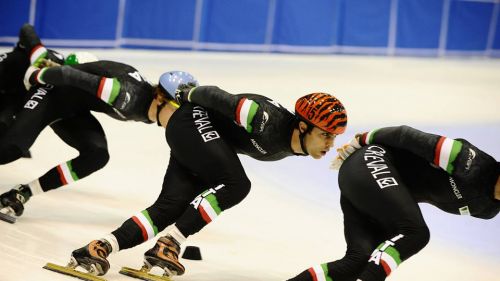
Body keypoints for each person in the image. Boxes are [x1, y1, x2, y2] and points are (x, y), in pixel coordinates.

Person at [62, 88, 348, 277]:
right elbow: (213, 94)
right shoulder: (262, 117)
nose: (330, 144)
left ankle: (100, 247)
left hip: (203, 139)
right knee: (237, 184)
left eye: (334, 137)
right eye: (325, 135)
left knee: (169, 207)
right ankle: (170, 243)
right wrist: (188, 93)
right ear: (302, 126)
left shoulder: (298, 142)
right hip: (192, 121)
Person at [0, 28, 197, 218]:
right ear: (161, 98)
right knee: (10, 149)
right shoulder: (126, 95)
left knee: (97, 155)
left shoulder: (151, 108)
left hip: (74, 108)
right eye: (178, 111)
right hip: (52, 92)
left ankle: (23, 193)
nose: (181, 118)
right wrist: (37, 76)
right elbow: (68, 75)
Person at [288, 125, 500, 281]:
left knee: (357, 262)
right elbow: (404, 135)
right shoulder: (469, 162)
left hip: (372, 189)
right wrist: (361, 141)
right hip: (371, 161)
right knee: (416, 232)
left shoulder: (488, 209)